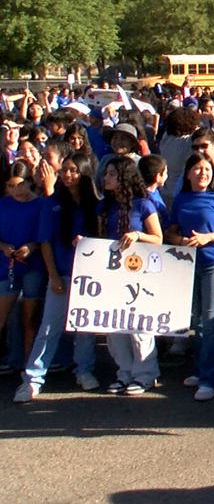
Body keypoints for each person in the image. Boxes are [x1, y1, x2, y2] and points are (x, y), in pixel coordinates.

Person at [14, 155, 99, 402]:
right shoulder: (51, 204)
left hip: (90, 277)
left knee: (85, 327)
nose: (68, 175)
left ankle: (84, 370)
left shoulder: (95, 203)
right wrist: (53, 276)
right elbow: (45, 243)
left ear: (83, 172)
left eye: (73, 170)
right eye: (64, 171)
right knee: (49, 327)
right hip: (61, 273)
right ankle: (32, 379)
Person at [166, 154, 214, 402]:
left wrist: (208, 237)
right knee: (196, 321)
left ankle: (210, 379)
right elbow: (171, 233)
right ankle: (200, 370)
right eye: (197, 169)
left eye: (207, 169)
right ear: (187, 173)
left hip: (213, 264)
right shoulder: (180, 199)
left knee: (211, 321)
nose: (203, 173)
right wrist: (181, 242)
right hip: (187, 266)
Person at [98, 156, 164, 396]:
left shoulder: (143, 204)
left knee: (139, 326)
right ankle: (124, 373)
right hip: (111, 272)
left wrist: (138, 235)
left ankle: (145, 375)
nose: (106, 178)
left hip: (139, 274)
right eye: (106, 174)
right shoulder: (104, 205)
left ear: (125, 177)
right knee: (114, 326)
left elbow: (158, 238)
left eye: (113, 174)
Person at [0, 160, 48, 373]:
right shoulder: (3, 203)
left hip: (33, 266)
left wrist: (32, 246)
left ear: (30, 182)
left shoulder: (41, 205)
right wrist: (3, 247)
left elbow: (46, 236)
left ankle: (28, 368)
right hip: (6, 265)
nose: (16, 190)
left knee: (29, 319)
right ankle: (13, 359)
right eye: (11, 185)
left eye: (20, 184)